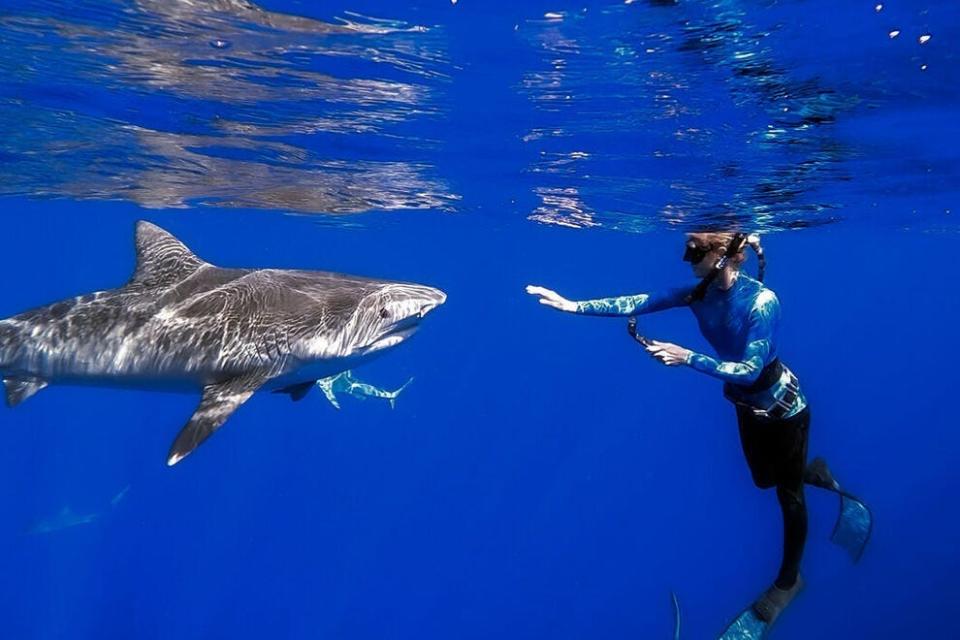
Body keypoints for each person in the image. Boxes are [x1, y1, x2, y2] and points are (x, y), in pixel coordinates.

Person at [526, 232, 856, 626]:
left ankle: (789, 580)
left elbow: (749, 370)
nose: (687, 259)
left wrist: (687, 357)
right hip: (746, 407)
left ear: (723, 255)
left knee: (789, 497)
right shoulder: (699, 292)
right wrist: (572, 305)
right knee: (763, 480)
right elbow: (642, 301)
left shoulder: (762, 303)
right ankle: (809, 470)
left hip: (784, 411)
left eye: (694, 250)